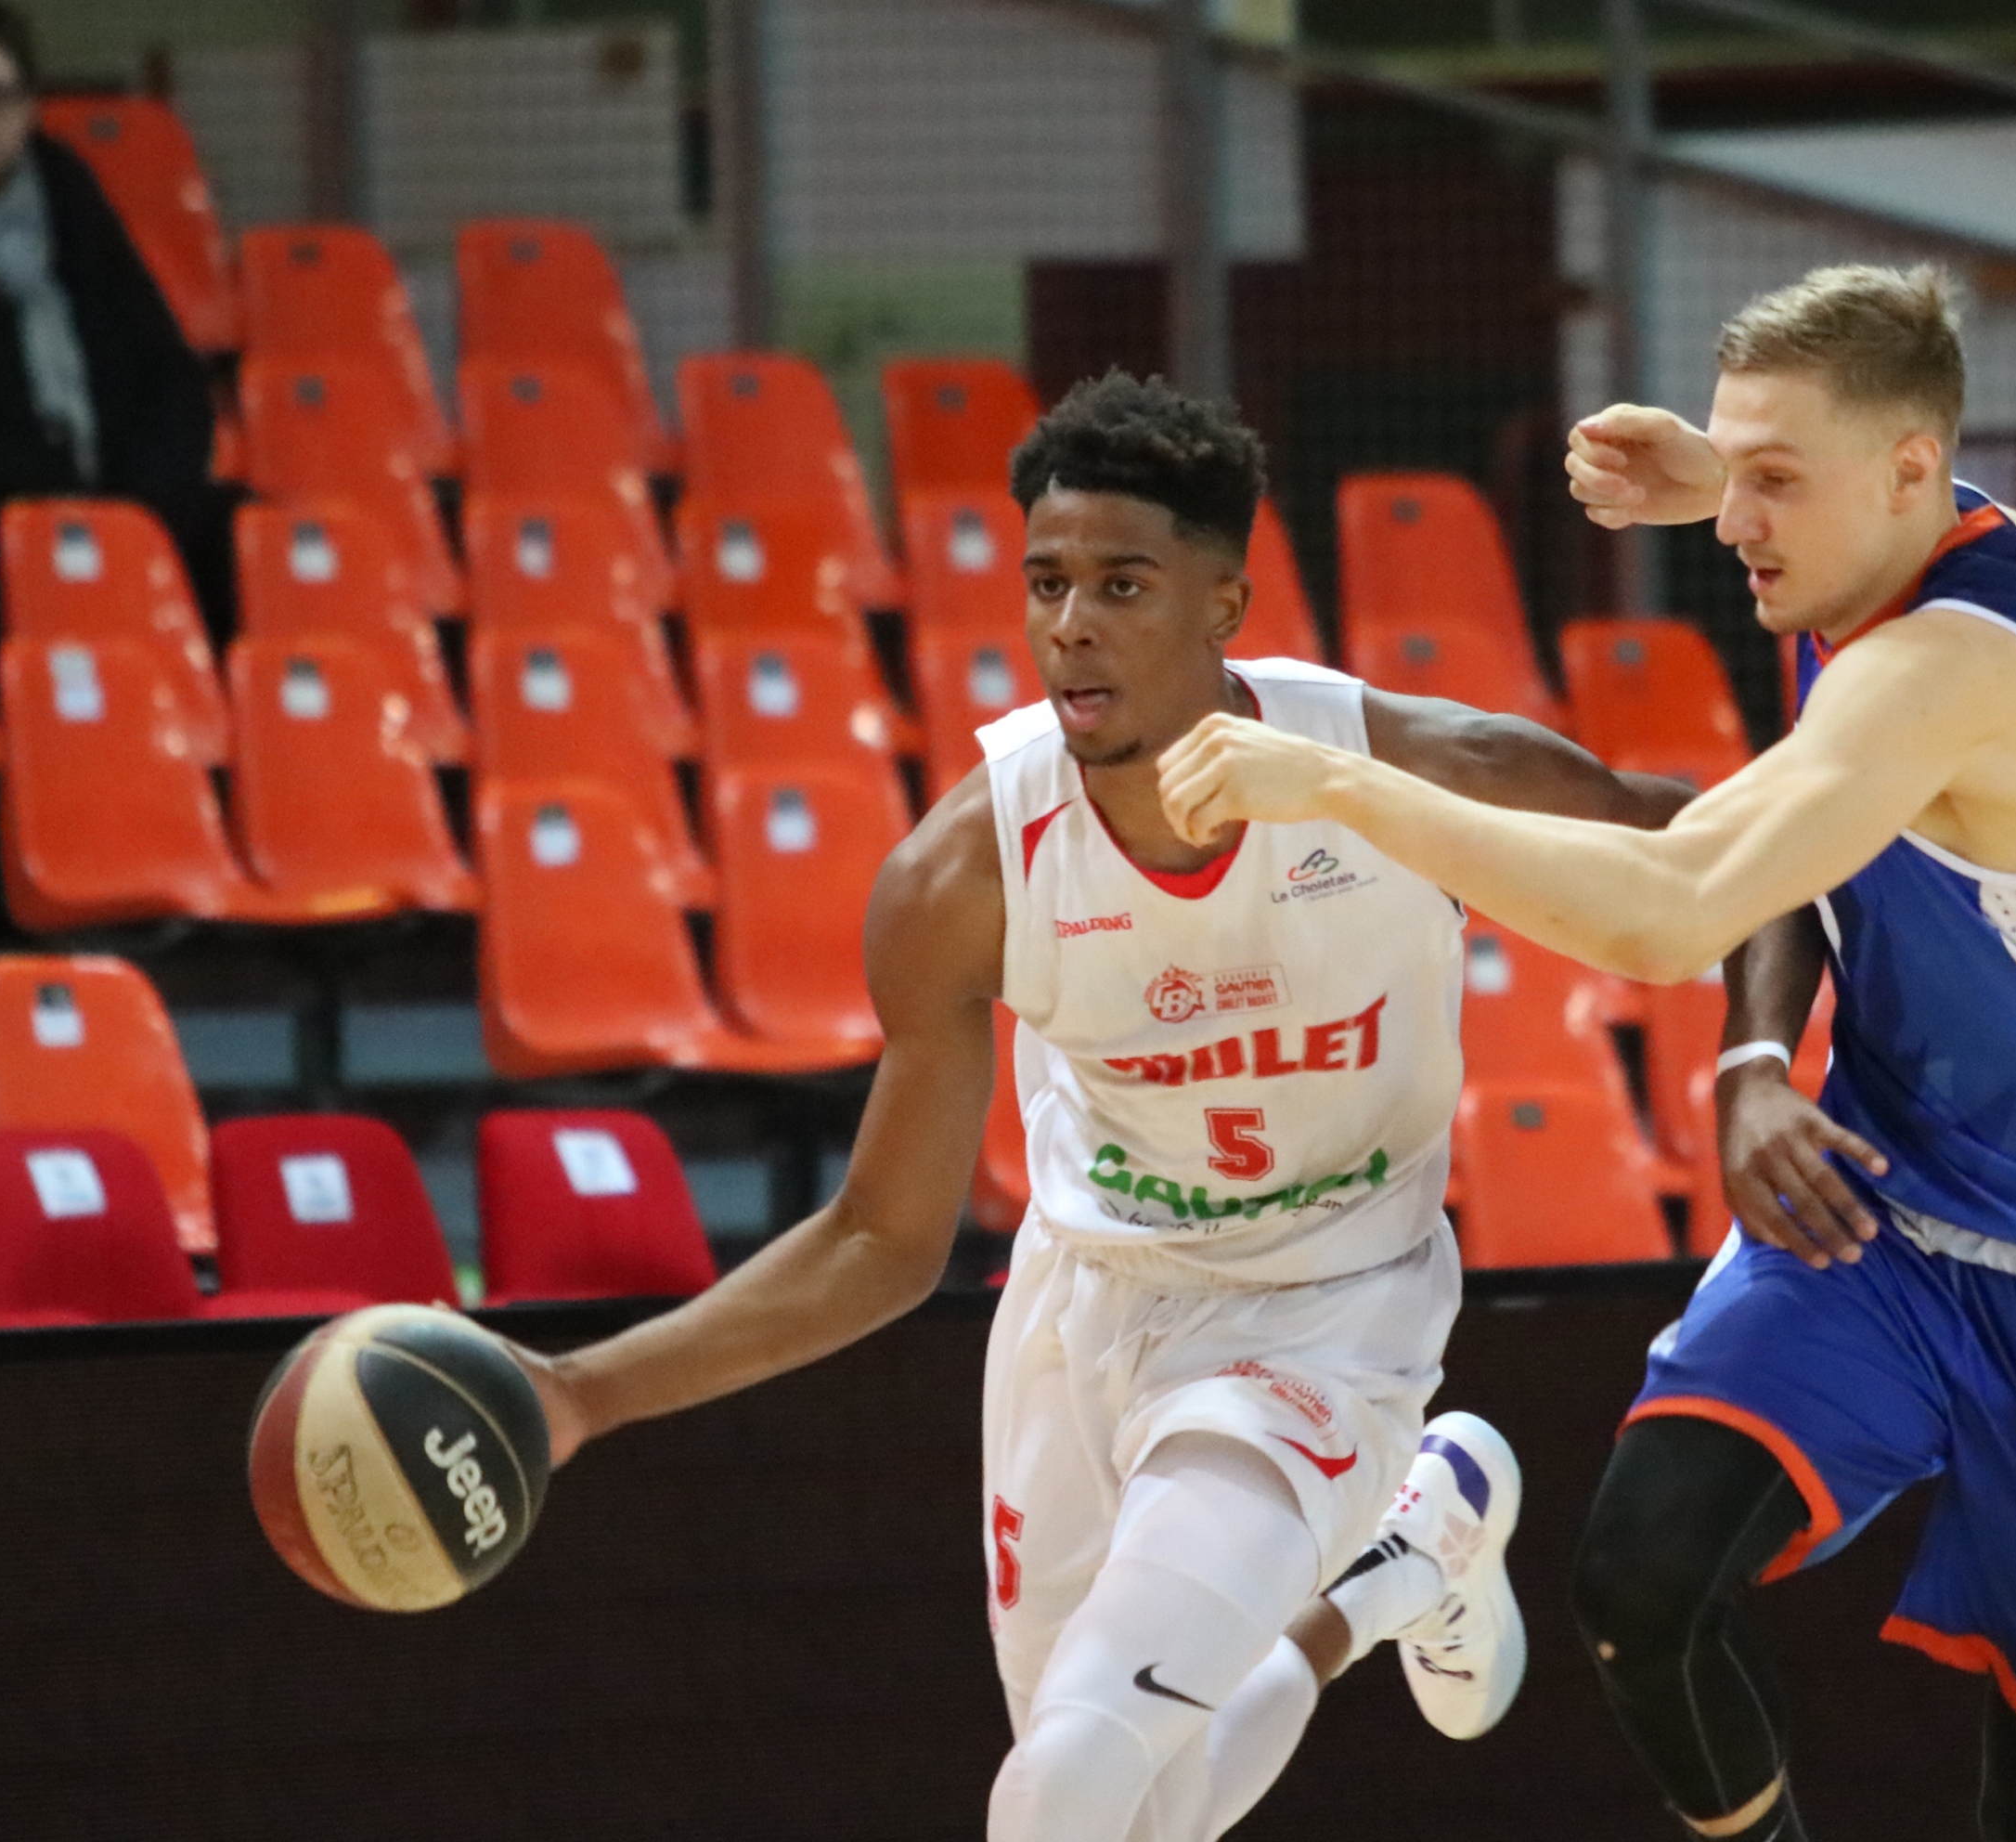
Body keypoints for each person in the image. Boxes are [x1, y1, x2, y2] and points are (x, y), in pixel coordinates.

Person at [511, 371, 1699, 1842]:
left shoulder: (1398, 769)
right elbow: (881, 1245)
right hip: (1090, 1314)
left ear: (1224, 604)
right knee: (1152, 1812)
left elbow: (1714, 853)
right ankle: (1409, 1557)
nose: (1071, 623)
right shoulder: (966, 875)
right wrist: (576, 1395)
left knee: (1066, 1790)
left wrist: (1769, 1077)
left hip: (1326, 1315)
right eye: (1047, 582)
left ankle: (1389, 1523)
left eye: (1122, 584)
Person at [1157, 264, 2016, 1842]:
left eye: (1773, 479)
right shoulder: (1949, 542)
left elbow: (1674, 908)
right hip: (1884, 1200)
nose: (1739, 520)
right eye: (1735, 471)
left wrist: (1335, 786)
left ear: (1902, 472)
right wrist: (1720, 478)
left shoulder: (1937, 668)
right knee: (1638, 1580)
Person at [0, 1, 235, 692]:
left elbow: (170, 382)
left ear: (28, 107)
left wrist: (134, 513)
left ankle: (230, 759)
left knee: (246, 534)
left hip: (118, 503)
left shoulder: (74, 204)